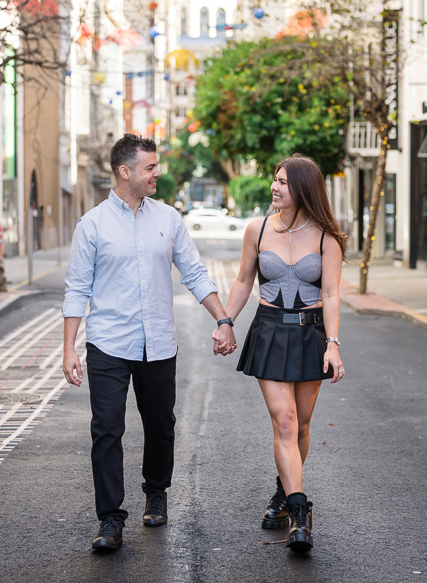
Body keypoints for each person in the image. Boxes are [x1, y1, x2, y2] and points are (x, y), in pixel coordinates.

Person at [62, 133, 236, 552]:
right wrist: (69, 347)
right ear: (125, 173)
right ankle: (110, 518)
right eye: (150, 167)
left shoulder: (168, 220)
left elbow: (194, 272)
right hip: (108, 343)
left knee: (161, 425)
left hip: (157, 342)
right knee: (106, 430)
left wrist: (224, 319)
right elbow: (76, 289)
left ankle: (156, 492)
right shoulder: (93, 225)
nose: (158, 173)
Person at [216, 154, 346, 553]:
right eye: (274, 180)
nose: (274, 187)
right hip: (269, 331)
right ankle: (300, 513)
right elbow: (242, 280)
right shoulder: (257, 230)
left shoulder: (326, 237)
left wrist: (333, 344)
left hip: (310, 335)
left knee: (303, 425)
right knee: (285, 421)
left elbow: (331, 294)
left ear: (303, 189)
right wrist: (226, 321)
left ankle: (281, 491)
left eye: (283, 183)